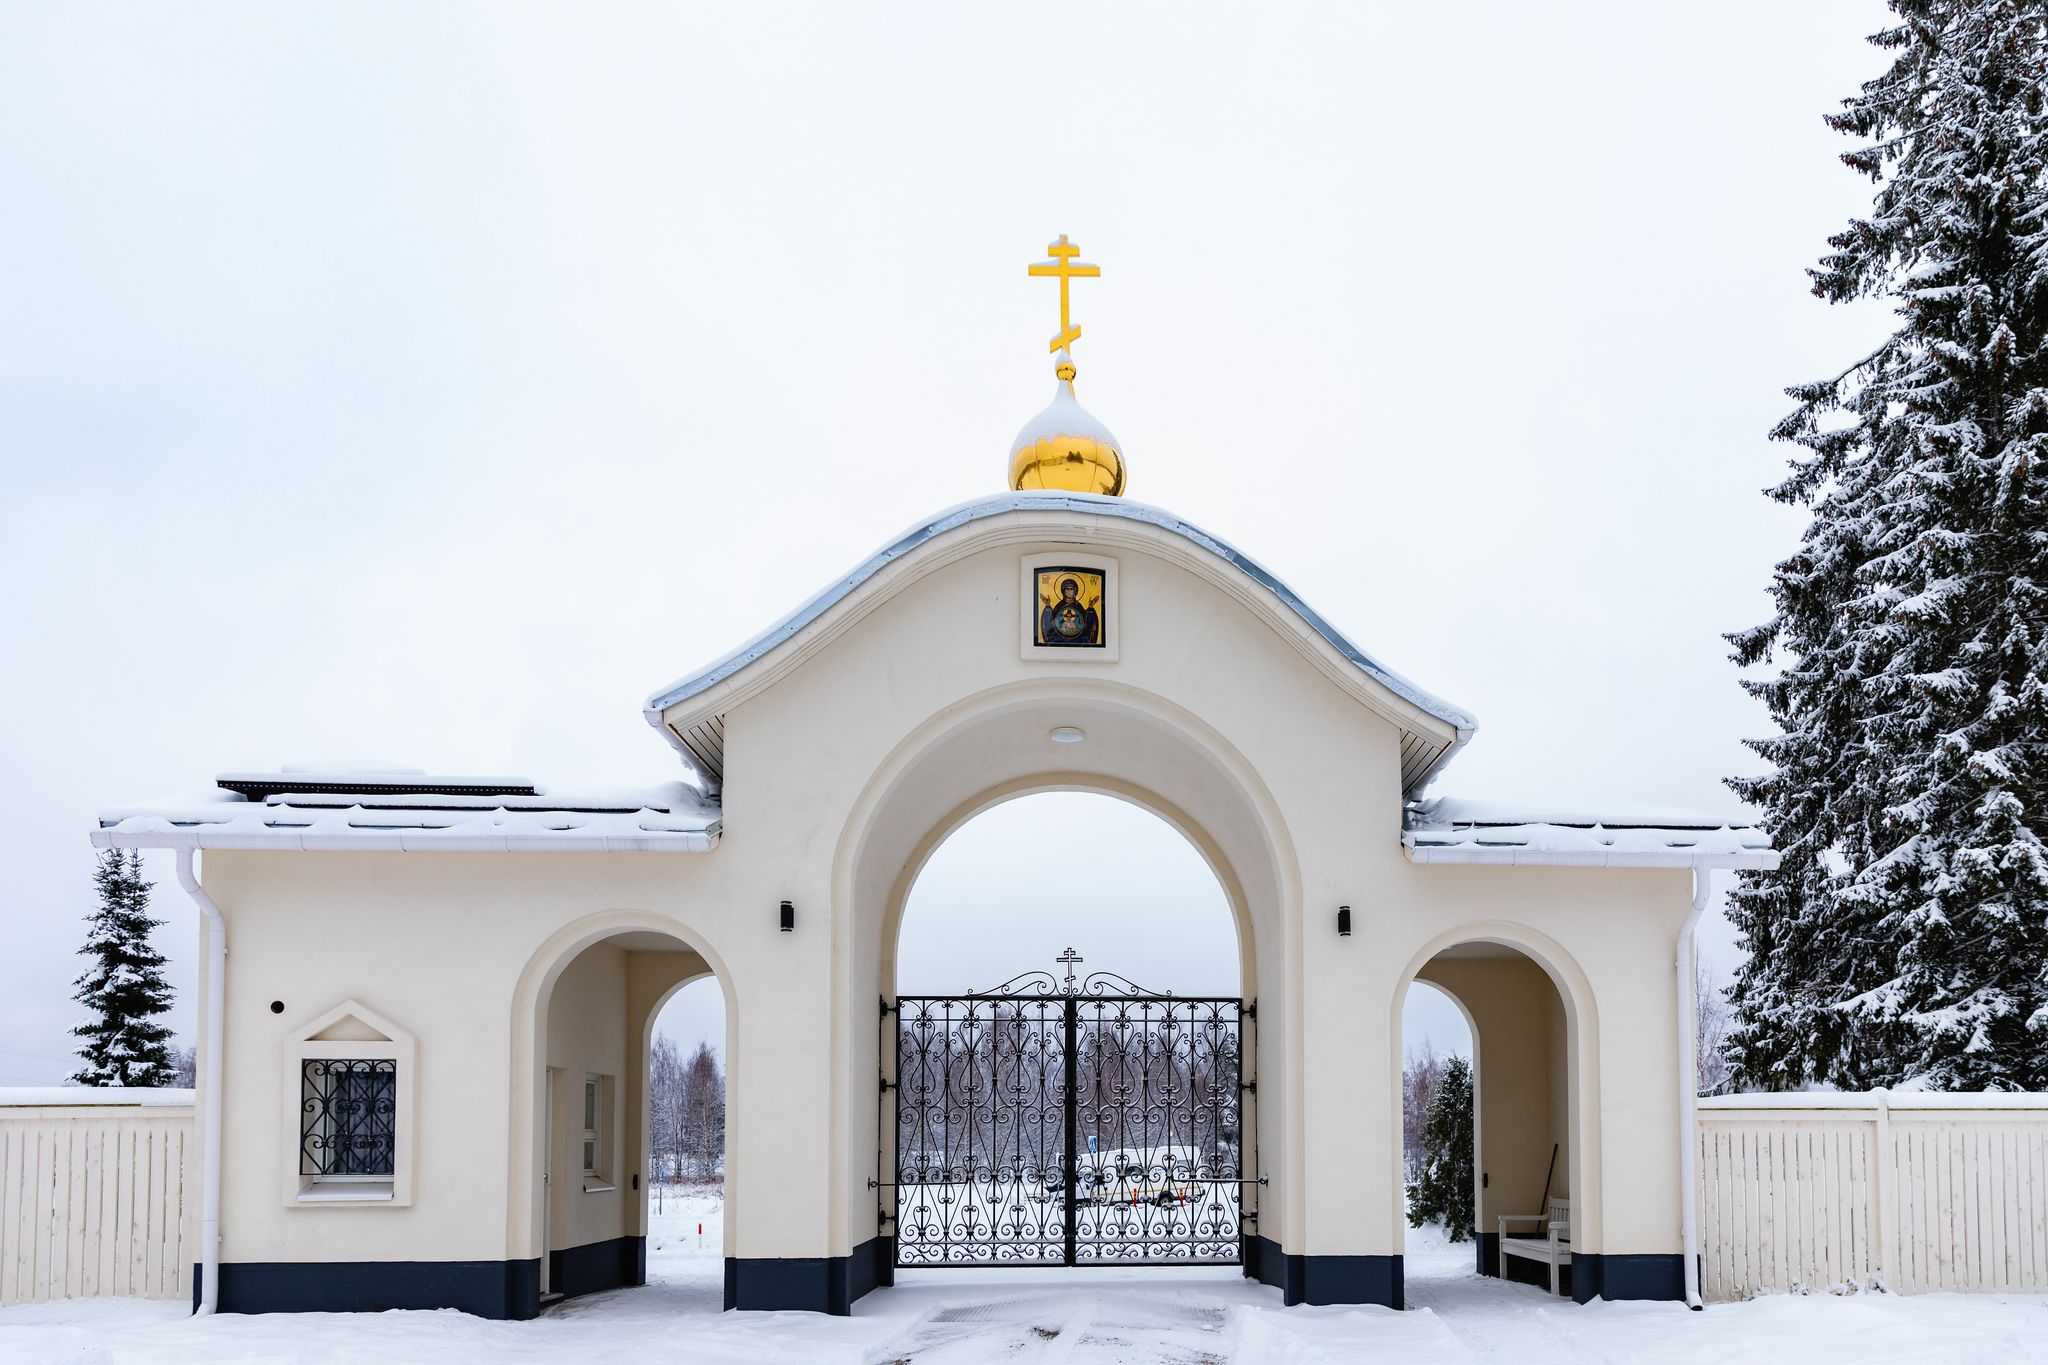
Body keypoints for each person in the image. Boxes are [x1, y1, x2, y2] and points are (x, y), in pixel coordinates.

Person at [1040, 576, 1100, 646]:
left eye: (1071, 589)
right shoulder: (1059, 606)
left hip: (1078, 640)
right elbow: (1050, 622)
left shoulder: (1078, 606)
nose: (1069, 592)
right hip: (1059, 639)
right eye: (1067, 589)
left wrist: (1090, 608)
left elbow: (1087, 624)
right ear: (1063, 591)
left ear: (1075, 591)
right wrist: (1047, 606)